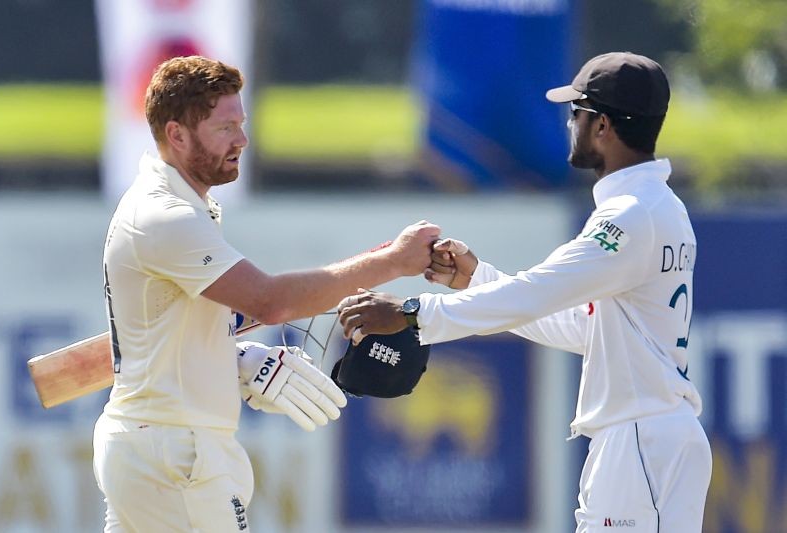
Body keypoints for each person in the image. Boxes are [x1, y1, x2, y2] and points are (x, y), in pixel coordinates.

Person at [337, 52, 712, 532]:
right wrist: (478, 279)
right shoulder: (659, 205)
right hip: (649, 438)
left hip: (640, 442)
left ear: (602, 127)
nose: (570, 124)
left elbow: (536, 292)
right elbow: (583, 326)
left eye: (576, 112)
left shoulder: (629, 216)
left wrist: (413, 313)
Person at [93, 55, 440, 532]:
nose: (242, 140)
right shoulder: (164, 216)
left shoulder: (181, 205)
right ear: (176, 135)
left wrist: (229, 360)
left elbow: (176, 326)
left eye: (242, 123)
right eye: (224, 128)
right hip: (176, 452)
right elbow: (270, 301)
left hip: (157, 446)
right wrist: (393, 262)